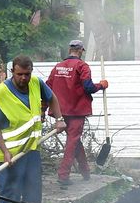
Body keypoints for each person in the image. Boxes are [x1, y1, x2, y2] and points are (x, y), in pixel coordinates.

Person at [0, 55, 65, 203]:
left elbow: (52, 97)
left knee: (32, 192)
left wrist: (59, 118)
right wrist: (5, 151)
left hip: (31, 150)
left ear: (31, 72)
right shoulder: (0, 94)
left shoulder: (36, 83)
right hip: (9, 154)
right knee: (10, 194)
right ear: (12, 71)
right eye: (20, 74)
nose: (24, 78)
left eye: (27, 74)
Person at [46, 39, 108, 186]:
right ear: (80, 51)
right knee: (72, 142)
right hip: (76, 111)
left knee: (75, 140)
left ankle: (85, 172)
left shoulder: (58, 67)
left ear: (69, 50)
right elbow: (88, 87)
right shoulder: (82, 66)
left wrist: (42, 111)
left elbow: (47, 88)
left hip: (60, 111)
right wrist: (102, 85)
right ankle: (63, 175)